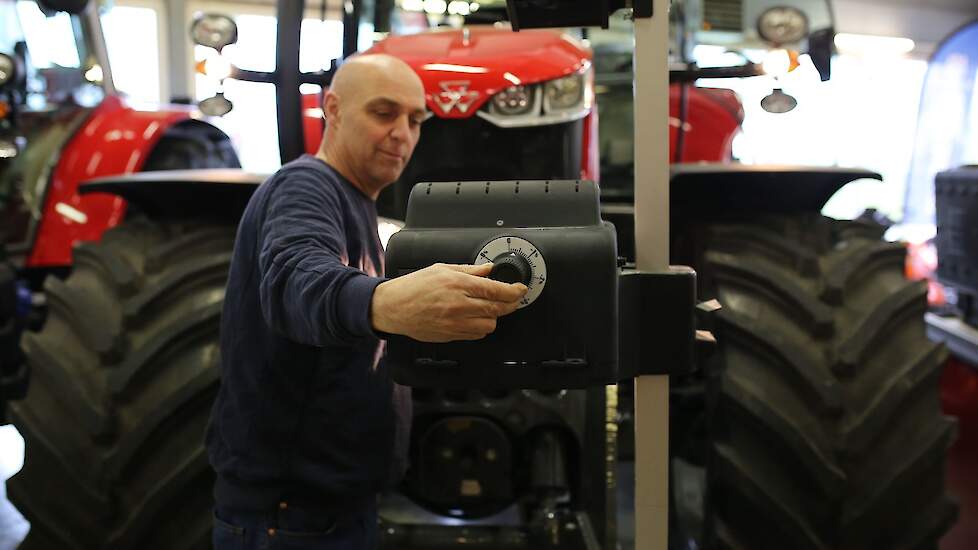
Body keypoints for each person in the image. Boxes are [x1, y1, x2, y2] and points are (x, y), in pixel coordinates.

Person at [205, 53, 527, 550]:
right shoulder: (306, 186)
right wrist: (388, 302)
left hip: (333, 510)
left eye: (415, 120)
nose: (403, 133)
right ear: (331, 110)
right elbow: (294, 279)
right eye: (384, 113)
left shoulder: (356, 204)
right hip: (292, 521)